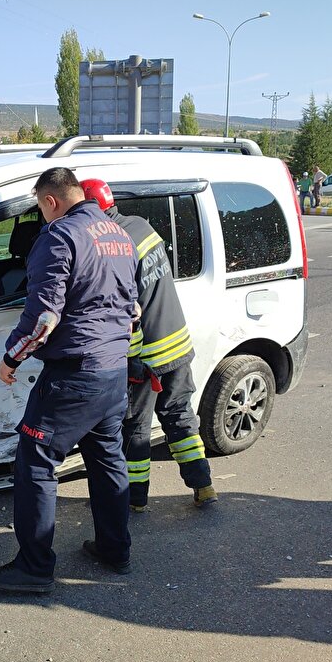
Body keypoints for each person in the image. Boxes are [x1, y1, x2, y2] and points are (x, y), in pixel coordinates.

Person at [0, 167, 139, 594]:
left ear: (50, 200)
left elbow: (44, 317)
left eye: (40, 207)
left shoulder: (59, 237)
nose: (42, 215)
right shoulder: (117, 233)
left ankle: (33, 569)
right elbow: (132, 306)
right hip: (112, 371)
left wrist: (10, 358)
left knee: (35, 462)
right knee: (107, 459)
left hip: (73, 375)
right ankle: (115, 549)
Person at [79, 178, 218, 514]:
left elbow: (130, 313)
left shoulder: (113, 244)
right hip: (177, 343)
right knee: (180, 418)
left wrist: (130, 361)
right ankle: (204, 486)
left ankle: (135, 499)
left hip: (147, 354)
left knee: (135, 428)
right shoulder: (140, 225)